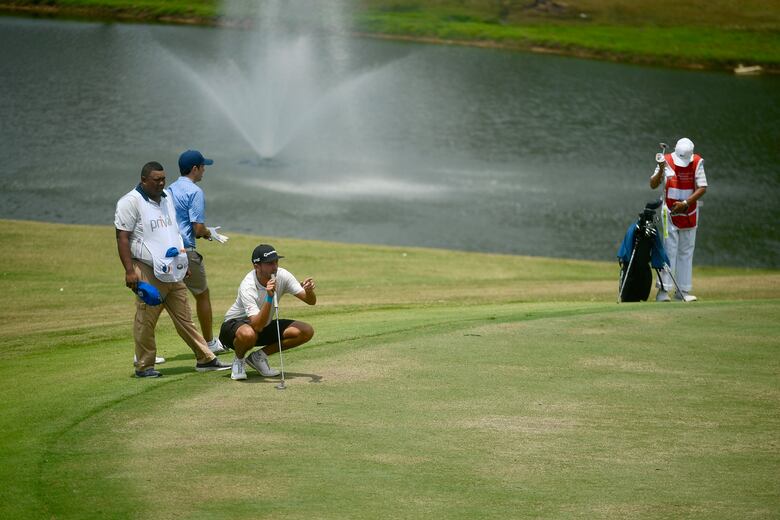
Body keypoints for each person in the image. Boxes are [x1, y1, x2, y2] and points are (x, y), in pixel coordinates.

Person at [115, 161, 231, 377]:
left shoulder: (166, 199)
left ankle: (205, 358)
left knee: (184, 317)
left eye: (163, 179)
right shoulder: (131, 201)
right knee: (146, 319)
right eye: (156, 180)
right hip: (147, 268)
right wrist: (130, 271)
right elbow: (122, 237)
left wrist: (183, 262)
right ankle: (144, 366)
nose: (161, 183)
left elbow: (174, 232)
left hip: (172, 268)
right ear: (143, 180)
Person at [219, 244, 317, 381]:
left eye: (276, 261)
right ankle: (239, 360)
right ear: (256, 266)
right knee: (248, 334)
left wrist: (309, 291)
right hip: (233, 327)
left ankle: (258, 358)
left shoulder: (282, 275)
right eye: (270, 263)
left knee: (305, 331)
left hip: (261, 324)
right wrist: (269, 297)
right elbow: (257, 325)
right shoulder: (248, 285)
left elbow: (310, 301)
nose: (275, 266)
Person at [168, 149, 229, 355]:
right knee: (202, 295)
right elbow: (196, 228)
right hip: (187, 253)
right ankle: (210, 342)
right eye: (203, 167)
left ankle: (143, 350)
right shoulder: (194, 192)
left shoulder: (169, 189)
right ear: (195, 169)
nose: (204, 170)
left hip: (167, 252)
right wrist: (208, 233)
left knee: (159, 299)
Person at [650, 137, 708, 302]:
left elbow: (703, 187)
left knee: (686, 252)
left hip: (689, 212)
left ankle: (682, 291)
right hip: (669, 213)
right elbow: (653, 184)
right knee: (669, 251)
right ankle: (663, 291)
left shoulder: (697, 162)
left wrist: (685, 203)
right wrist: (661, 170)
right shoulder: (666, 160)